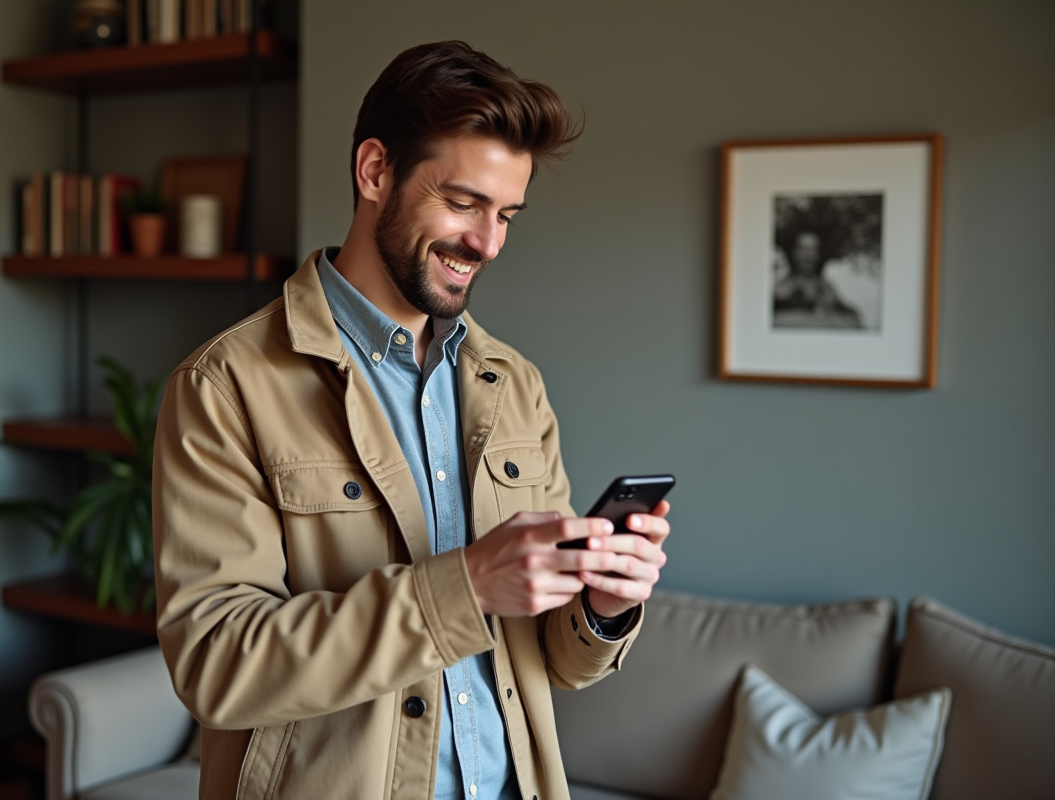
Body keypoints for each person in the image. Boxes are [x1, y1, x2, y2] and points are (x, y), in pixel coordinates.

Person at [153, 40, 671, 800]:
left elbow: (556, 662)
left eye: (507, 216)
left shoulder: (515, 384)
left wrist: (604, 605)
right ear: (374, 171)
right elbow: (217, 665)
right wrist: (464, 585)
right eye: (462, 203)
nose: (487, 243)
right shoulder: (225, 384)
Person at [772, 230, 863, 329]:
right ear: (794, 252)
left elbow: (850, 315)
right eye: (803, 249)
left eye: (813, 250)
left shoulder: (826, 287)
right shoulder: (780, 287)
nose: (808, 255)